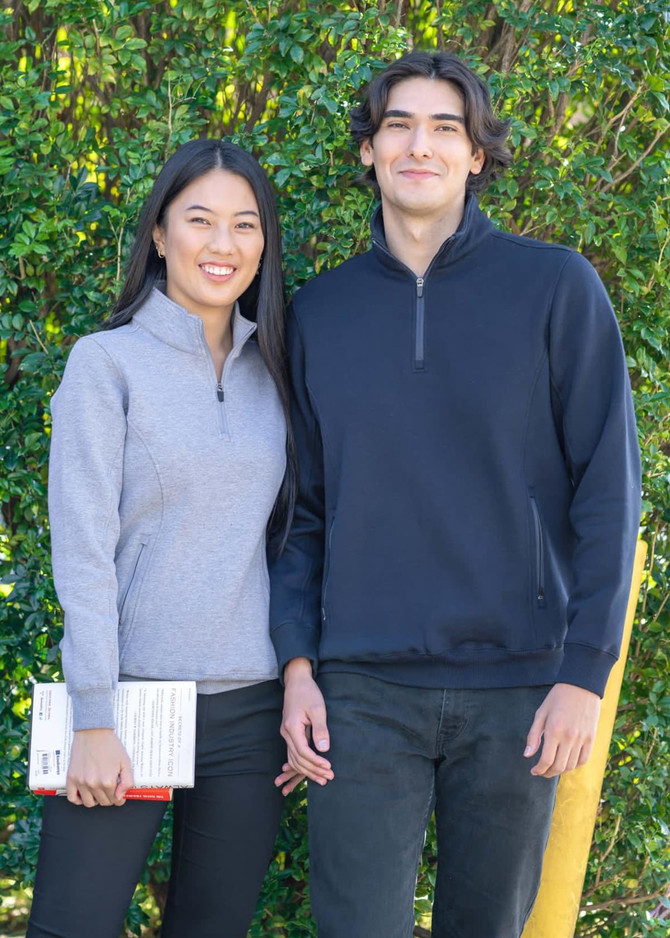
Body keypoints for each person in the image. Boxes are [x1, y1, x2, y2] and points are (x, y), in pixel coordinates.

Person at [269, 51, 641, 938]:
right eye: (398, 125)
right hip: (361, 690)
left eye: (446, 128)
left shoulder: (556, 287)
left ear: (476, 154)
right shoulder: (319, 312)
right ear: (368, 149)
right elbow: (301, 512)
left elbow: (608, 491)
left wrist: (584, 675)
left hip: (519, 687)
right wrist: (297, 668)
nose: (420, 146)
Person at [28, 138, 295, 938]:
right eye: (199, 219)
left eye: (245, 224)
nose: (223, 244)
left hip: (250, 710)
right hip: (129, 702)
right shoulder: (105, 365)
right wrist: (94, 716)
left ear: (264, 242)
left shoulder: (277, 371)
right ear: (159, 232)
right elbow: (83, 551)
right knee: (71, 927)